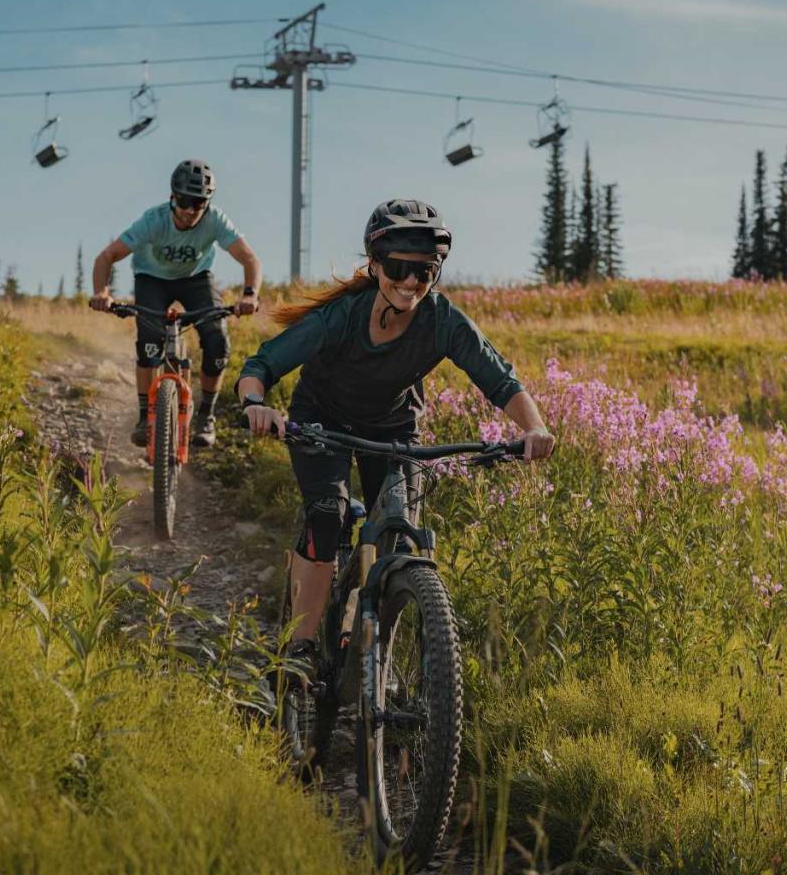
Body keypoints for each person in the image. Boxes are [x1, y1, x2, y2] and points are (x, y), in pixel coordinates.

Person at [235, 199, 555, 677]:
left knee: (401, 538)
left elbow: (501, 380)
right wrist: (255, 405)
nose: (409, 283)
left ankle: (375, 652)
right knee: (327, 519)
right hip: (321, 423)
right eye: (397, 268)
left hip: (394, 429)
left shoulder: (442, 321)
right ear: (374, 264)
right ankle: (298, 654)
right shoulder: (341, 317)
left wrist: (534, 427)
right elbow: (260, 366)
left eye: (423, 272)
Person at [89, 159, 263, 447]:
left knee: (217, 339)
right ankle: (145, 416)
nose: (189, 211)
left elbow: (249, 259)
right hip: (151, 279)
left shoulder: (215, 220)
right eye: (184, 201)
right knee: (150, 340)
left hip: (196, 279)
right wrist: (101, 293)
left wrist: (249, 295)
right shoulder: (153, 220)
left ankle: (206, 416)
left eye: (198, 203)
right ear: (172, 197)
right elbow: (105, 257)